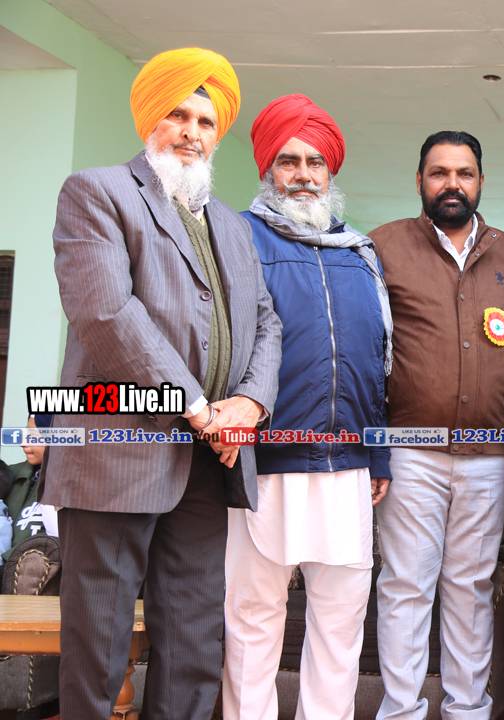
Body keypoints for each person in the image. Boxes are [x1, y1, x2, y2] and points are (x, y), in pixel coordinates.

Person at [45, 47, 282, 719]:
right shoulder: (97, 192)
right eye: (178, 115)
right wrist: (201, 408)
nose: (191, 132)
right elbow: (106, 315)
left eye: (205, 122)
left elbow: (266, 321)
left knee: (195, 641)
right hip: (117, 451)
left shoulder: (231, 224)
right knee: (99, 643)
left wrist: (250, 403)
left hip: (209, 462)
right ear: (151, 118)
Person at [222, 94, 393, 720]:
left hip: (347, 464)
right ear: (268, 168)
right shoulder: (237, 237)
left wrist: (379, 457)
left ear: (331, 170)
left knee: (341, 621)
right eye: (288, 161)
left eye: (315, 162)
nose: (302, 174)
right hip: (262, 460)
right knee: (253, 618)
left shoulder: (359, 253)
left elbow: (378, 361)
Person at [368, 130, 504, 720]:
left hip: (489, 454)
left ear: (481, 182)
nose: (452, 184)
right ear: (419, 180)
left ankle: (468, 711)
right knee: (406, 586)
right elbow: (367, 348)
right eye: (439, 173)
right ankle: (402, 711)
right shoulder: (382, 247)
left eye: (464, 173)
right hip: (410, 450)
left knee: (471, 588)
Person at [4, 415, 60, 562]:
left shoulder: (70, 484)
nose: (23, 443)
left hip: (30, 568)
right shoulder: (7, 475)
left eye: (33, 435)